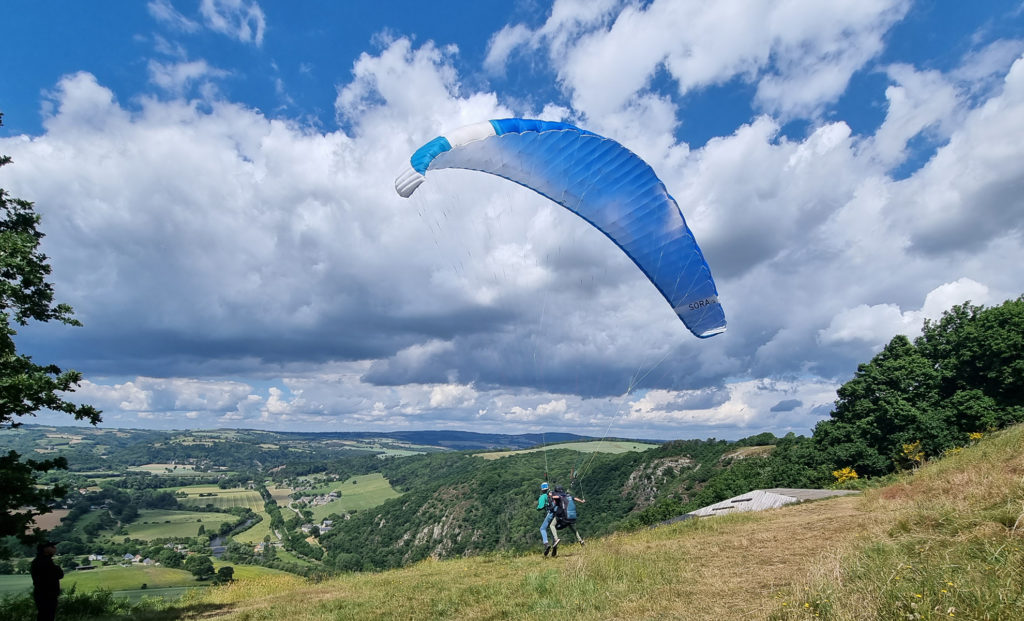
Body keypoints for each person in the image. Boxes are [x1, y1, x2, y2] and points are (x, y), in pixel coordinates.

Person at [30, 541, 63, 621]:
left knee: (43, 615)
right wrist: (58, 568)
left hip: (42, 593)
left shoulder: (37, 561)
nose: (55, 548)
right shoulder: (45, 562)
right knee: (47, 616)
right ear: (45, 549)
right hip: (47, 594)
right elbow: (59, 574)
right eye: (52, 546)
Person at [548, 486, 585, 555]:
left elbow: (555, 497)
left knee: (552, 525)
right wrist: (582, 501)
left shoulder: (559, 497)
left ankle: (556, 539)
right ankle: (580, 540)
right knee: (572, 528)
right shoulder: (567, 496)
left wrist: (551, 495)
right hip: (570, 516)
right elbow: (575, 498)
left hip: (563, 516)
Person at [537, 482, 555, 556]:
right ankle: (554, 547)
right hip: (557, 512)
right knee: (552, 529)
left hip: (550, 513)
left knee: (542, 529)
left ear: (542, 489)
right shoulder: (552, 494)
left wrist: (538, 507)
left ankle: (546, 544)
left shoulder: (543, 496)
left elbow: (540, 507)